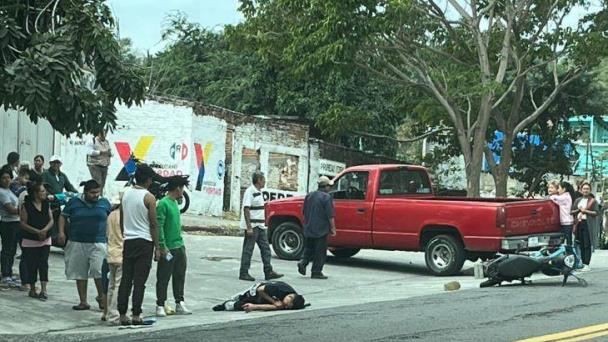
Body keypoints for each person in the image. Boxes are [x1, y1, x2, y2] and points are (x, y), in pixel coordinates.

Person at [117, 164, 162, 326]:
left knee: (126, 280)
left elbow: (121, 218)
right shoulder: (149, 197)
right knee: (139, 281)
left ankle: (122, 314)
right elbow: (153, 224)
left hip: (129, 240)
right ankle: (136, 314)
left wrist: (125, 234)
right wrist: (157, 247)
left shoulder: (126, 194)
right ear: (148, 179)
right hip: (145, 242)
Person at [58, 180, 111, 311]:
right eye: (92, 193)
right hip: (77, 241)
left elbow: (113, 218)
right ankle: (83, 301)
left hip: (98, 242)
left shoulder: (104, 203)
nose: (95, 195)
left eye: (97, 192)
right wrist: (61, 232)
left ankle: (101, 297)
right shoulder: (74, 202)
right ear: (85, 192)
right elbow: (63, 216)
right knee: (79, 272)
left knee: (99, 271)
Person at [155, 176, 192, 317]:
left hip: (179, 245)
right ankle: (160, 304)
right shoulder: (163, 204)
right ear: (178, 188)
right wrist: (162, 246)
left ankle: (179, 302)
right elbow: (159, 226)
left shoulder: (175, 203)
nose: (183, 191)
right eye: (182, 188)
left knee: (180, 275)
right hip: (168, 247)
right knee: (164, 276)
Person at [239, 171, 283, 282]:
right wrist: (249, 227)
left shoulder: (259, 192)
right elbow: (246, 208)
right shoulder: (250, 191)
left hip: (260, 225)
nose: (265, 182)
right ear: (259, 180)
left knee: (266, 249)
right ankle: (244, 272)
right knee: (248, 249)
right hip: (253, 226)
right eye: (263, 180)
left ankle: (268, 271)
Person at [297, 176, 337, 279]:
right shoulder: (326, 197)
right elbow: (330, 215)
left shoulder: (310, 195)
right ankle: (316, 271)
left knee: (309, 248)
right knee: (320, 251)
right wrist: (333, 228)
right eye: (329, 186)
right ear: (326, 186)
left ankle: (303, 261)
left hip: (309, 227)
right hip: (321, 229)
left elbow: (304, 211)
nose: (330, 188)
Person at [19, 182, 53, 301]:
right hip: (30, 240)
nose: (45, 193)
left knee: (44, 263)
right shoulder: (26, 205)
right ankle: (32, 288)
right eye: (42, 191)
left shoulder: (46, 203)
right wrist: (36, 231)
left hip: (45, 238)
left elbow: (51, 219)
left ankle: (44, 289)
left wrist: (44, 230)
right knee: (32, 264)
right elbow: (23, 223)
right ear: (35, 193)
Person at [41, 155, 77, 245]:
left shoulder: (62, 176)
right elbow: (42, 187)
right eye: (54, 162)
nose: (55, 164)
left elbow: (69, 187)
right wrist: (50, 196)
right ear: (50, 163)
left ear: (60, 164)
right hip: (48, 204)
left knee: (62, 224)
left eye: (57, 162)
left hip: (58, 204)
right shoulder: (45, 174)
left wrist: (77, 194)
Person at [212, 281, 306, 312]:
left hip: (268, 298)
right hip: (258, 290)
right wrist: (274, 302)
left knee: (242, 306)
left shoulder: (291, 300)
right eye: (286, 305)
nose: (285, 306)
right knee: (241, 298)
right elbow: (260, 290)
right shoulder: (280, 289)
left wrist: (254, 307)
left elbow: (277, 307)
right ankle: (225, 304)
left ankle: (230, 305)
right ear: (290, 297)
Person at [101, 192, 124, 324]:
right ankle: (115, 316)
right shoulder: (126, 216)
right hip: (122, 252)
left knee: (111, 286)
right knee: (119, 286)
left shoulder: (111, 215)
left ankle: (108, 312)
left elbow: (107, 234)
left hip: (110, 252)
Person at [572, 182, 600, 271]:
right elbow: (571, 211)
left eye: (587, 189)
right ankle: (582, 263)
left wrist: (585, 211)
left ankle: (586, 264)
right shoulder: (577, 200)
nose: (585, 190)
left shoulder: (593, 201)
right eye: (584, 189)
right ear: (581, 190)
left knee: (587, 244)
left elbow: (596, 213)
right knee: (580, 244)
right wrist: (578, 210)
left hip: (588, 224)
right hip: (579, 224)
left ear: (590, 190)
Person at [0, 168, 21, 286]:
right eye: (3, 178)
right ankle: (5, 274)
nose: (6, 180)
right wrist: (24, 210)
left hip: (15, 222)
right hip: (7, 223)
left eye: (8, 177)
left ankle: (9, 272)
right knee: (7, 249)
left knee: (13, 249)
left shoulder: (10, 190)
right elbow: (11, 209)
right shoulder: (2, 192)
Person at [86, 131, 113, 195]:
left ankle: (100, 196)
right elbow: (89, 152)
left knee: (102, 184)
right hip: (95, 165)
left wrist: (110, 154)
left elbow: (109, 151)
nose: (104, 137)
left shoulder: (106, 142)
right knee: (98, 183)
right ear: (99, 134)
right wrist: (101, 152)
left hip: (104, 165)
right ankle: (97, 197)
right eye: (103, 135)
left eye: (105, 135)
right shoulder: (92, 141)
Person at [548, 181, 574, 246]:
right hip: (565, 221)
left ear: (564, 189)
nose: (558, 190)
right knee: (565, 239)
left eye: (559, 188)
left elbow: (554, 198)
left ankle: (570, 253)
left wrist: (551, 196)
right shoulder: (564, 196)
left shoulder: (565, 197)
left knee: (568, 239)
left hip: (567, 221)